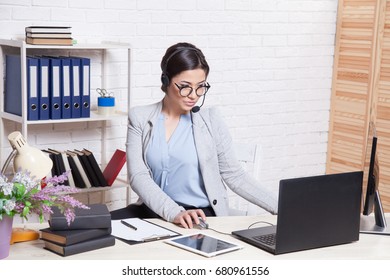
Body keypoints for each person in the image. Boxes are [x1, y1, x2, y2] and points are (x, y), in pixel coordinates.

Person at [110, 42, 277, 228]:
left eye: (200, 87)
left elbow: (235, 175)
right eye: (185, 86)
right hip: (155, 210)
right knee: (92, 226)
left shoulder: (211, 119)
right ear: (165, 81)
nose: (194, 95)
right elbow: (138, 176)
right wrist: (174, 212)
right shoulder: (140, 117)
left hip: (199, 214)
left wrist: (281, 207)